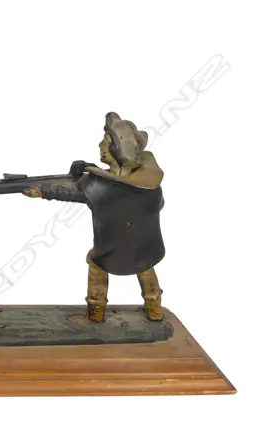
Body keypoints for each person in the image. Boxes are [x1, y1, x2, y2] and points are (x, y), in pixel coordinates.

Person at [22, 112, 165, 322]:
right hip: (146, 247)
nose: (100, 145)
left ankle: (95, 316)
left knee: (97, 263)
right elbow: (159, 205)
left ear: (118, 151)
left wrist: (43, 191)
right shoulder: (151, 186)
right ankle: (155, 310)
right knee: (145, 264)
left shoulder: (102, 188)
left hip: (112, 248)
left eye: (106, 141)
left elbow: (74, 192)